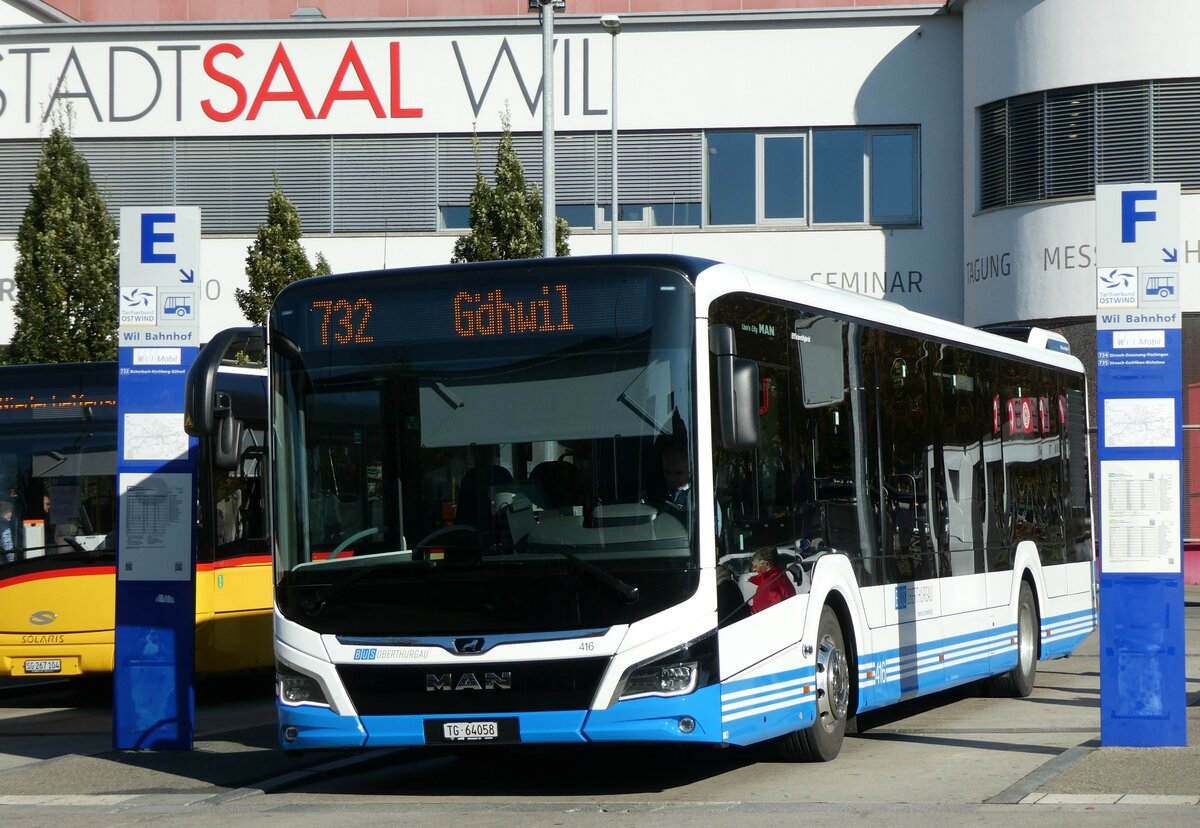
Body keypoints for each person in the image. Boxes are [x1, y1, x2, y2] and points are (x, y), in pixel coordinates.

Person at [748, 546, 796, 614]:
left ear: (767, 564)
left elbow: (761, 615)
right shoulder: (780, 577)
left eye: (755, 566)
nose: (754, 570)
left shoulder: (770, 586)